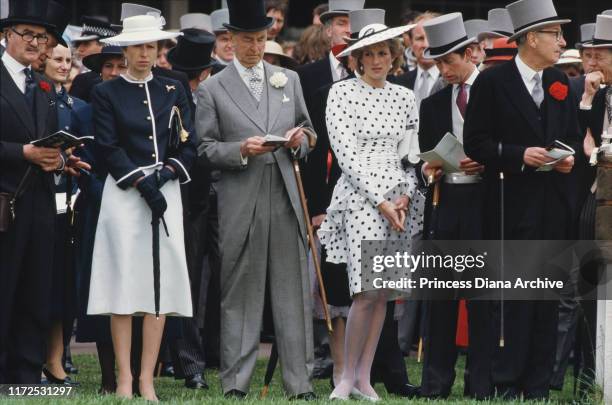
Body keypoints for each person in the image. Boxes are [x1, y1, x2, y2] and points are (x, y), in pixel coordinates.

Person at [195, 0, 316, 399]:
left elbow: (309, 133)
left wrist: (301, 142)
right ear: (230, 40)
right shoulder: (212, 87)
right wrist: (241, 150)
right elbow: (205, 148)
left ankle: (299, 383)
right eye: (248, 40)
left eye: (261, 39)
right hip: (240, 195)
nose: (255, 47)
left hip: (284, 195)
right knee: (240, 293)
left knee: (292, 292)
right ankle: (235, 382)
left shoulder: (288, 80)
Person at [463, 0, 580, 399]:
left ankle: (538, 383)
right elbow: (475, 142)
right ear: (531, 38)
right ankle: (507, 378)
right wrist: (517, 154)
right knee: (515, 297)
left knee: (547, 298)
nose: (562, 41)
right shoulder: (493, 82)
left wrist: (567, 161)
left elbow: (569, 134)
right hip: (508, 202)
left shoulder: (560, 81)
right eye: (555, 33)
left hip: (552, 204)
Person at [86, 15, 196, 401]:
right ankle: (125, 378)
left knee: (159, 286)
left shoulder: (173, 87)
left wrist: (165, 175)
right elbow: (107, 146)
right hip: (125, 192)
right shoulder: (107, 92)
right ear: (125, 49)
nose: (145, 53)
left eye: (152, 46)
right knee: (123, 283)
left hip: (166, 191)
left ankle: (147, 377)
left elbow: (188, 143)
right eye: (138, 46)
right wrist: (140, 182)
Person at [318, 22, 419, 401]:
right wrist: (380, 200)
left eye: (384, 52)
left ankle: (364, 377)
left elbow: (411, 154)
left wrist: (405, 196)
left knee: (384, 293)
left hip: (399, 196)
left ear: (393, 55)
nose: (377, 60)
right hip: (361, 196)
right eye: (370, 54)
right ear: (357, 59)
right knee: (364, 291)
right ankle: (344, 376)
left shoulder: (405, 97)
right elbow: (345, 155)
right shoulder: (341, 93)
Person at [0, 0, 88, 384]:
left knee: (35, 287)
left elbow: (45, 142)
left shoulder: (43, 84)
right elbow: (25, 146)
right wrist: (24, 152)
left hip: (38, 202)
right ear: (6, 35)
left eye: (43, 37)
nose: (36, 43)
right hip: (4, 201)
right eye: (28, 35)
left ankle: (25, 371)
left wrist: (61, 160)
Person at [416, 12, 491, 400]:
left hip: (485, 202)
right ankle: (435, 383)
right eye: (438, 63)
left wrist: (489, 160)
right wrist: (428, 170)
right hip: (446, 203)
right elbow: (420, 159)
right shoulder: (432, 104)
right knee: (441, 298)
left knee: (480, 300)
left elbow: (508, 147)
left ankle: (480, 384)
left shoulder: (494, 91)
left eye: (450, 61)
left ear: (472, 53)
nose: (444, 70)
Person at [42, 43, 87, 387]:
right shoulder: (31, 99)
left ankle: (56, 360)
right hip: (33, 199)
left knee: (62, 285)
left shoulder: (80, 107)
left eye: (68, 60)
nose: (62, 65)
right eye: (57, 59)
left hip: (70, 203)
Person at [210, 8, 233, 73]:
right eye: (224, 39)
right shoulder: (207, 72)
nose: (230, 45)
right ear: (214, 42)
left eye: (233, 40)